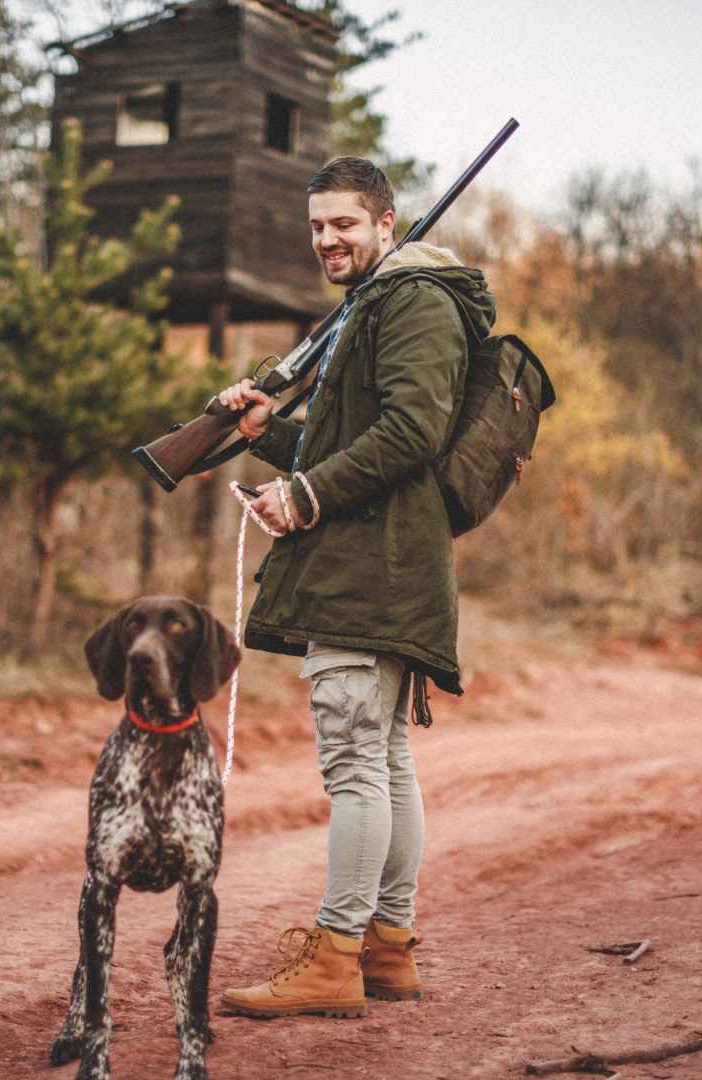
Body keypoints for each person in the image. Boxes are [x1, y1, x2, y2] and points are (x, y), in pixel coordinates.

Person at [215, 157, 495, 1018]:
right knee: (382, 761)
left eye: (344, 223)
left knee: (355, 770)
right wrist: (275, 439)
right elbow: (357, 441)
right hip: (380, 564)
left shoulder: (411, 299)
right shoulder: (379, 302)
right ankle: (387, 948)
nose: (326, 239)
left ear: (385, 223)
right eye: (316, 226)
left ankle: (336, 956)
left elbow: (412, 431)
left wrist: (304, 495)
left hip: (371, 570)